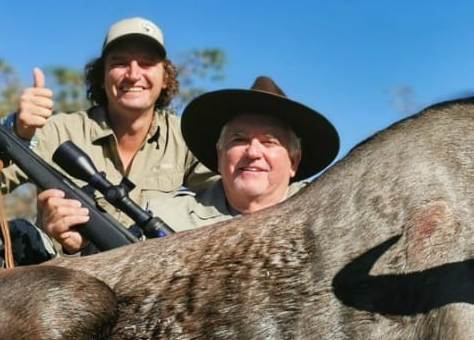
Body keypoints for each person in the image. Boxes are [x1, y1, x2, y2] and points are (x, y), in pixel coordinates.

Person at [0, 16, 214, 276]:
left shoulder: (184, 136)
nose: (133, 74)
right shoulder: (56, 131)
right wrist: (14, 131)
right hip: (64, 279)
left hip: (153, 278)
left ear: (165, 77)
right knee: (5, 239)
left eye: (146, 64)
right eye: (120, 63)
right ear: (101, 76)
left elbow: (237, 198)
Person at [46, 75, 339, 251]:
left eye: (270, 142)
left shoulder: (331, 217)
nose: (253, 151)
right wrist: (74, 248)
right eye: (238, 139)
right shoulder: (162, 215)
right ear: (220, 153)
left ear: (294, 161)